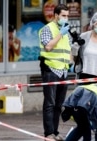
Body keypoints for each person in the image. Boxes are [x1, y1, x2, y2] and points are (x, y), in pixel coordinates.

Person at [38, 4, 71, 141]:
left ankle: (55, 132)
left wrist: (71, 65)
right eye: (63, 15)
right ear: (56, 15)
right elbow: (48, 47)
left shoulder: (65, 32)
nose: (65, 18)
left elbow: (67, 51)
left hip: (63, 70)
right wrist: (60, 34)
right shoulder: (47, 29)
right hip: (51, 69)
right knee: (50, 103)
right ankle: (48, 133)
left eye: (67, 16)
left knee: (59, 105)